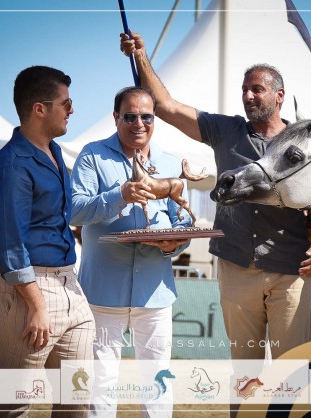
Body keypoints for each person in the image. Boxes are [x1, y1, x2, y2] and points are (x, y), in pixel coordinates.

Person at [120, 32, 311, 361]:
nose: (248, 96)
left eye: (257, 89)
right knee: (245, 374)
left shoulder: (306, 142)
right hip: (235, 267)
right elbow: (165, 106)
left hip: (291, 271)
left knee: (291, 372)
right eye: (244, 90)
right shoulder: (225, 130)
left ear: (279, 95)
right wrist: (141, 56)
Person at [0, 66, 95, 417]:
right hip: (26, 289)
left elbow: (62, 216)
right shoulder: (12, 166)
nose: (72, 110)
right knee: (14, 404)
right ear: (39, 109)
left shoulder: (54, 152)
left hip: (68, 284)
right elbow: (10, 245)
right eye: (66, 103)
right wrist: (37, 305)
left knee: (77, 398)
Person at [70, 86, 191, 418]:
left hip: (155, 292)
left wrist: (176, 243)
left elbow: (183, 223)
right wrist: (120, 195)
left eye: (146, 117)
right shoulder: (92, 156)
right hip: (101, 294)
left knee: (158, 383)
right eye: (130, 117)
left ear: (154, 119)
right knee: (100, 383)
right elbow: (75, 211)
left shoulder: (170, 162)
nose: (139, 124)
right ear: (116, 117)